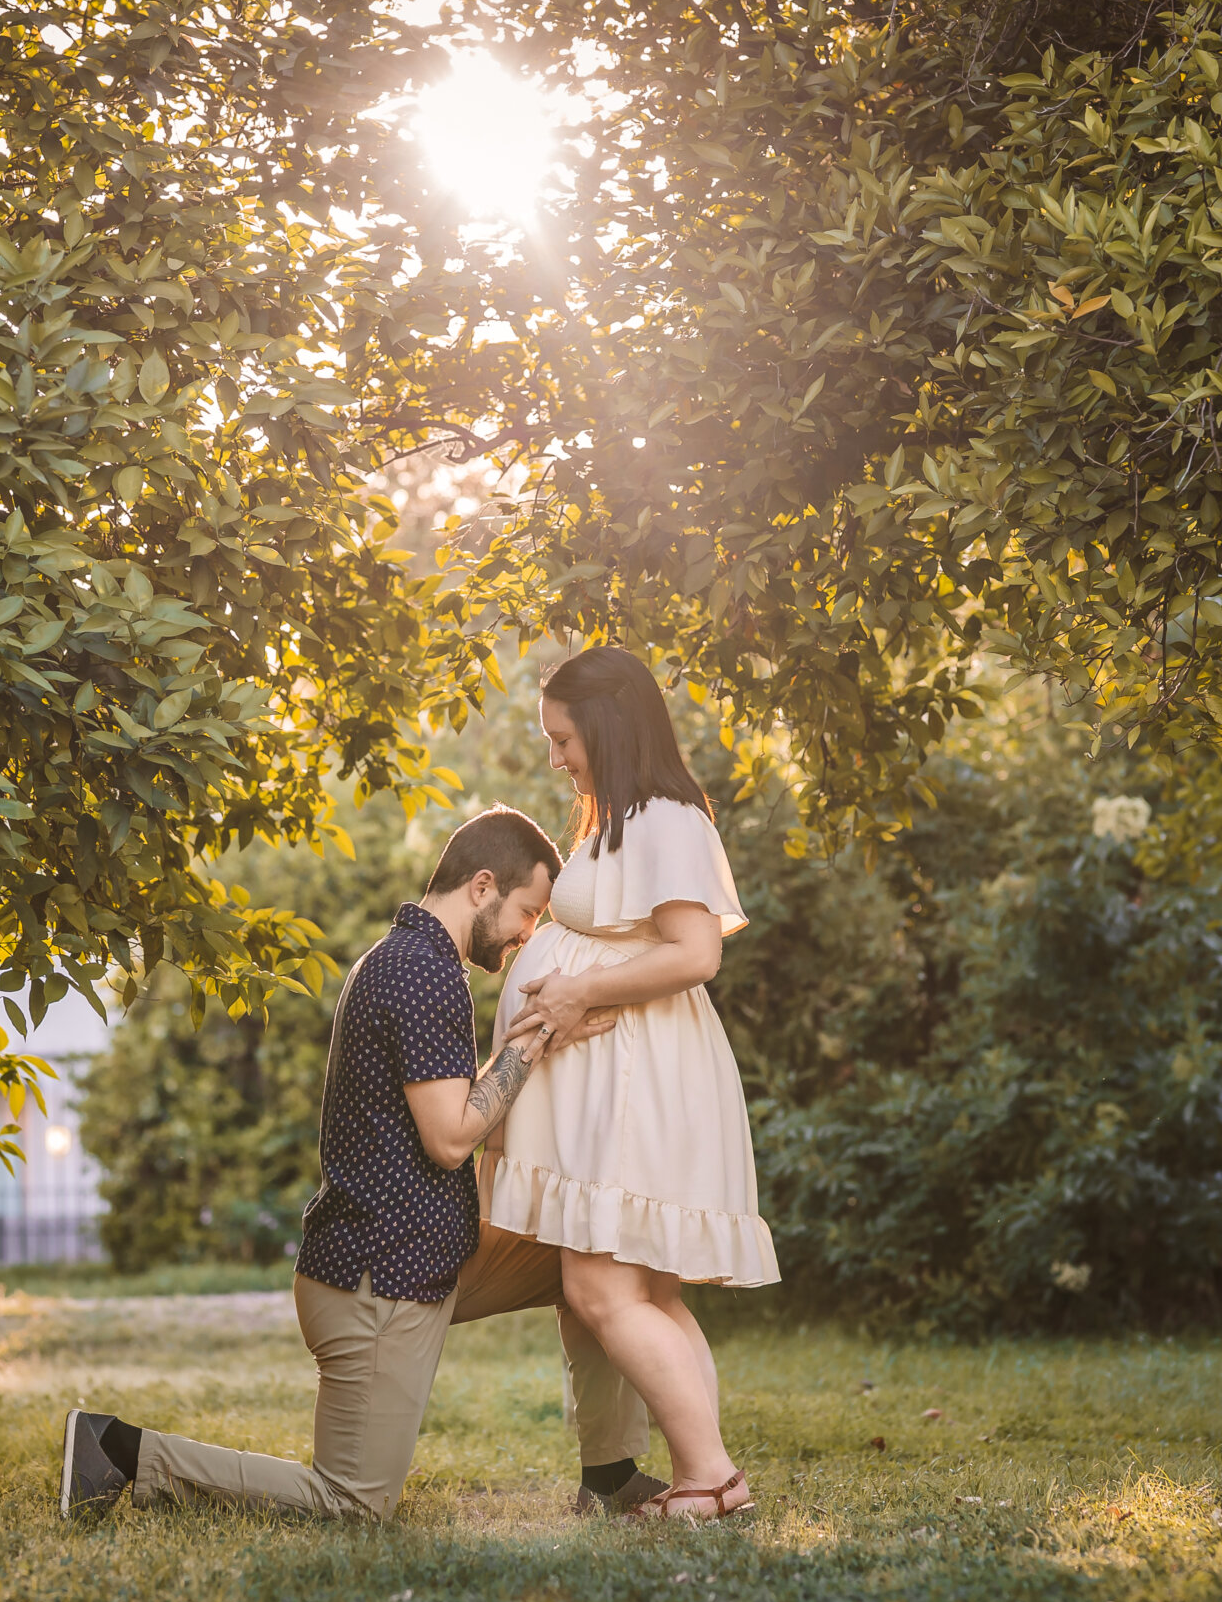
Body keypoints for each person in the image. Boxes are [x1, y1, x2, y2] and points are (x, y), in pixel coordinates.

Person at [58, 805, 665, 1519]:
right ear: (481, 885)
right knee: (353, 1500)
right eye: (526, 911)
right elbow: (450, 1136)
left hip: (425, 1254)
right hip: (377, 1279)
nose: (525, 934)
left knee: (591, 1252)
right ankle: (118, 1449)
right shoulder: (418, 973)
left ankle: (612, 1472)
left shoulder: (417, 963)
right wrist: (535, 1040)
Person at [487, 646, 779, 1522]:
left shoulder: (663, 818)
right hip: (623, 1081)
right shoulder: (621, 817)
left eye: (564, 737)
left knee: (603, 1291)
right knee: (646, 1294)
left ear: (608, 723)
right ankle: (708, 1475)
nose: (556, 758)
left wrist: (576, 989)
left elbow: (697, 953)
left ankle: (713, 1475)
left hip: (639, 1084)